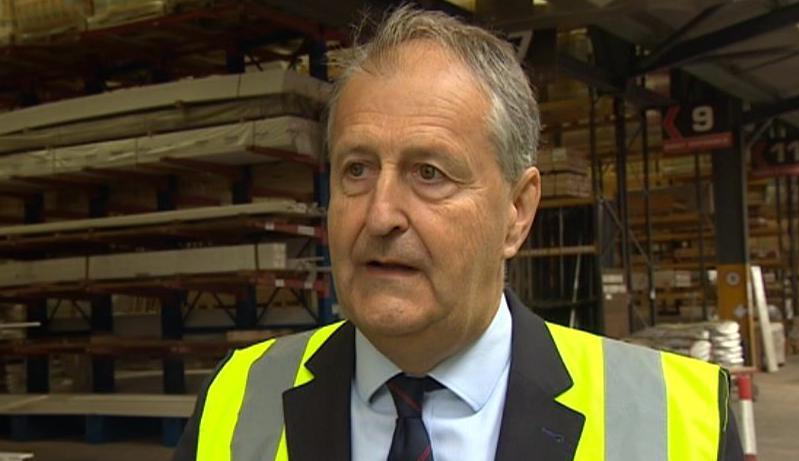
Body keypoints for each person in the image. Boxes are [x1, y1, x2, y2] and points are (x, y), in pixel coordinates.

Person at [173, 6, 743, 461]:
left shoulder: (676, 422)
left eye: (429, 173)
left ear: (517, 212)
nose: (380, 215)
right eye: (357, 170)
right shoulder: (238, 398)